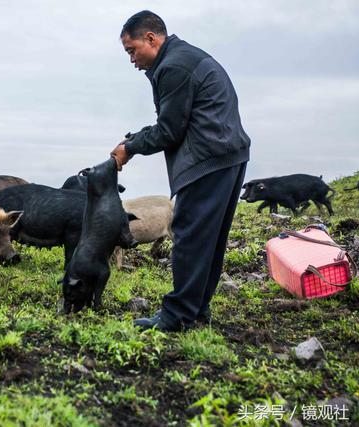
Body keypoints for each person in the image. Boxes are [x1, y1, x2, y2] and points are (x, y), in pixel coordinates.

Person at [110, 10, 250, 332]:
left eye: (132, 50)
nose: (131, 60)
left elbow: (169, 130)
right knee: (208, 240)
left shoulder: (173, 66)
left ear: (151, 38)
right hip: (228, 155)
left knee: (188, 236)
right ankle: (196, 310)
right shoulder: (185, 58)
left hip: (208, 160)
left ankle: (177, 316)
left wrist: (129, 147)